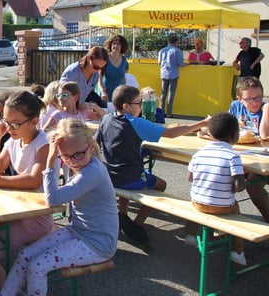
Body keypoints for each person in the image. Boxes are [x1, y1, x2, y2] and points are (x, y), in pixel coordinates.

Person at [0, 118, 118, 296]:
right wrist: (58, 156)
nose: (73, 161)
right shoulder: (80, 164)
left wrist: (50, 161)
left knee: (37, 266)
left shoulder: (92, 171)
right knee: (25, 255)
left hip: (98, 243)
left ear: (92, 146)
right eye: (65, 157)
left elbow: (53, 199)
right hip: (78, 231)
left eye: (78, 154)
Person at [0, 90, 54, 296]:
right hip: (16, 213)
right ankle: (7, 289)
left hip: (35, 219)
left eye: (15, 123)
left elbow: (33, 180)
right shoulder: (14, 139)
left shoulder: (43, 144)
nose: (9, 128)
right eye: (6, 121)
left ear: (34, 121)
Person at [96, 85, 209, 249]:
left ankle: (123, 214)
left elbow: (95, 143)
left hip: (109, 174)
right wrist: (202, 123)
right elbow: (170, 133)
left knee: (132, 175)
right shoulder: (135, 122)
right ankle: (137, 224)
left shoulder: (106, 119)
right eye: (138, 103)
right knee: (161, 184)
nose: (141, 107)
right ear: (126, 106)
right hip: (129, 177)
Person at [184, 112, 247, 266]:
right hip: (223, 207)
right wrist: (235, 186)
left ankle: (190, 235)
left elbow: (190, 178)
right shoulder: (233, 156)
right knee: (236, 209)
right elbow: (239, 186)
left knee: (196, 200)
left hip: (198, 203)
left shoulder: (199, 153)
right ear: (234, 135)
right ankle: (237, 250)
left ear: (210, 133)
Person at [227, 77, 269, 223]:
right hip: (243, 155)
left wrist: (266, 110)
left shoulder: (265, 109)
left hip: (262, 159)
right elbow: (227, 132)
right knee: (222, 175)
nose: (255, 102)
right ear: (240, 99)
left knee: (254, 184)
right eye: (250, 99)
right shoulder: (235, 106)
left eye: (258, 97)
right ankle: (225, 217)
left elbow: (264, 136)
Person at [41, 81, 105, 131]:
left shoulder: (83, 113)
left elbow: (105, 118)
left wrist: (94, 106)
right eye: (58, 95)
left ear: (75, 97)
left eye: (64, 95)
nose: (60, 98)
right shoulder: (58, 114)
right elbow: (44, 131)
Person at [158, 35, 185, 118]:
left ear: (168, 41)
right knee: (171, 94)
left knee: (163, 93)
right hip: (173, 74)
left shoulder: (162, 50)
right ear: (176, 42)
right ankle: (169, 113)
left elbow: (159, 62)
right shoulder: (177, 51)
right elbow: (181, 64)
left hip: (164, 73)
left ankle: (161, 112)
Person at [100, 34, 130, 103]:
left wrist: (125, 91)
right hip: (106, 96)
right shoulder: (105, 58)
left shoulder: (124, 60)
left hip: (119, 96)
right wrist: (103, 91)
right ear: (110, 45)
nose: (115, 46)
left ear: (122, 46)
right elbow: (99, 78)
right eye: (114, 43)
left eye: (118, 44)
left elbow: (124, 77)